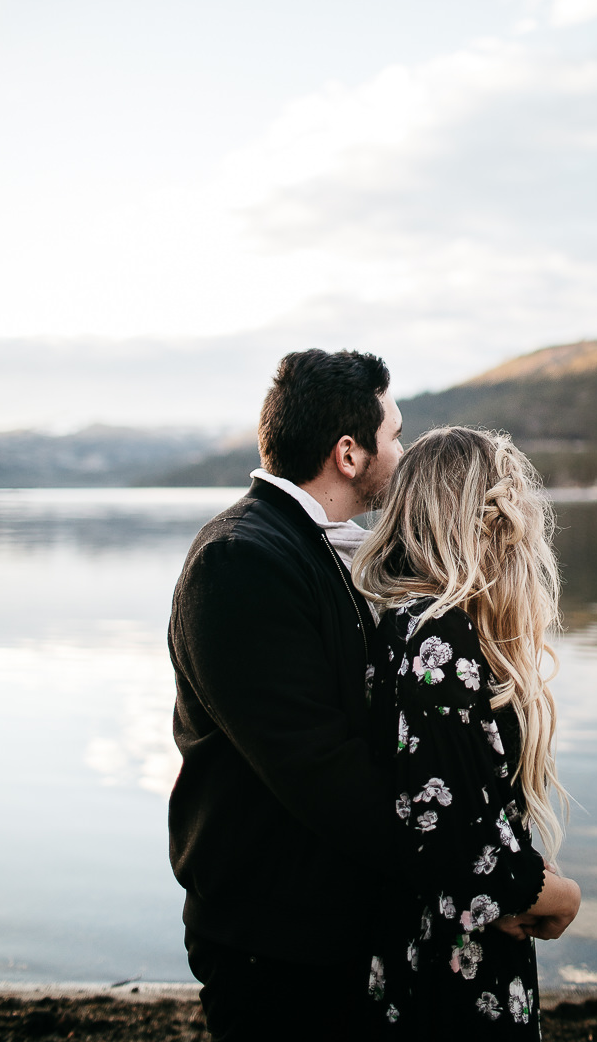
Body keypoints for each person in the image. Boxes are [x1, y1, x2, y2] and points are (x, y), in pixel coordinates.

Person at [167, 348, 404, 1041]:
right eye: (395, 434)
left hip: (330, 925)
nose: (404, 450)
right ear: (349, 454)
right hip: (272, 939)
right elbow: (320, 769)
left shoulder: (326, 547)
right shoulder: (239, 561)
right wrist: (467, 868)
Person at [352, 426, 581, 1038]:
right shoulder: (439, 641)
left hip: (421, 942)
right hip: (452, 963)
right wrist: (553, 894)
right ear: (477, 524)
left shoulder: (398, 625)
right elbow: (448, 838)